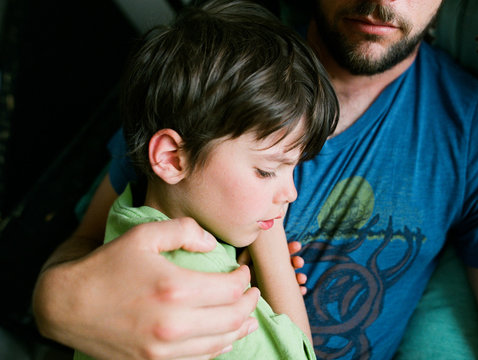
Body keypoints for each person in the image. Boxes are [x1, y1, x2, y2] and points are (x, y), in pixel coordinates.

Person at [33, 0, 478, 359]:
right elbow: (83, 246)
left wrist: (269, 249)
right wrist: (57, 301)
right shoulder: (214, 77)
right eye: (267, 169)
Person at [67, 0, 339, 359]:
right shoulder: (194, 294)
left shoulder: (132, 215)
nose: (290, 193)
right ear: (171, 158)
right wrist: (271, 254)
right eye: (266, 170)